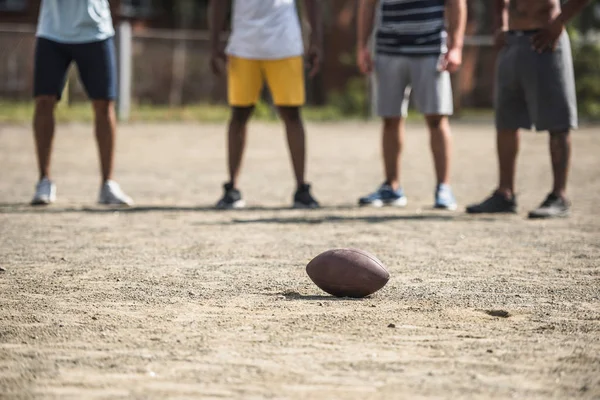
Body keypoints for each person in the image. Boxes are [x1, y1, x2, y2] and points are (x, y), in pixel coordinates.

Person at [466, 0, 591, 218]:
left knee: (557, 122)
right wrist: (500, 24)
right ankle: (505, 193)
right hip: (512, 41)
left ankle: (558, 195)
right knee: (506, 121)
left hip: (546, 38)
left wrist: (559, 23)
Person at [209, 0, 322, 209]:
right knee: (239, 114)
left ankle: (301, 188)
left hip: (285, 44)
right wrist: (214, 42)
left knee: (292, 114)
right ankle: (232, 188)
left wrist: (315, 38)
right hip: (244, 45)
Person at [356, 0, 466, 209]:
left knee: (436, 118)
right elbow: (367, 4)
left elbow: (457, 3)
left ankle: (443, 187)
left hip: (431, 49)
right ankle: (392, 187)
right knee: (390, 119)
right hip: (388, 48)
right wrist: (362, 45)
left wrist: (456, 47)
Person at [31, 0, 133, 206]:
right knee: (44, 101)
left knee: (104, 104)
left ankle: (108, 184)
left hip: (96, 31)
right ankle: (44, 181)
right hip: (52, 31)